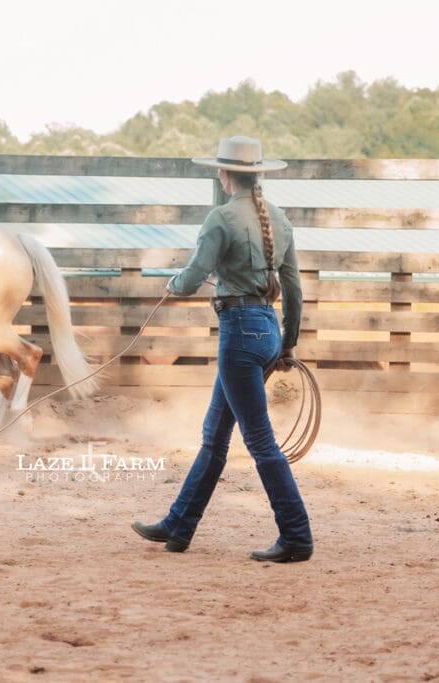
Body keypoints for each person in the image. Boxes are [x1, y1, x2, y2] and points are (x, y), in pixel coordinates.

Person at [132, 135, 313, 563]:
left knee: (259, 442)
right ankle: (179, 524)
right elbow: (293, 291)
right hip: (267, 330)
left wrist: (174, 286)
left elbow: (194, 276)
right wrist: (287, 345)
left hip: (239, 333)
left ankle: (297, 535)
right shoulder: (280, 221)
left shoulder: (220, 218)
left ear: (225, 173)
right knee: (215, 437)